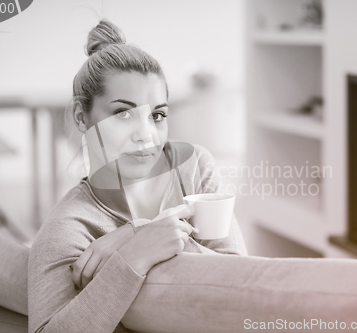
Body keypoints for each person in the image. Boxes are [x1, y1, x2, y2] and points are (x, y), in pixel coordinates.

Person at [28, 20, 247, 333]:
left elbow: (244, 283)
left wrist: (141, 233)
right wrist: (131, 259)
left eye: (157, 116)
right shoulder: (70, 228)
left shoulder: (194, 166)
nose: (146, 136)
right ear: (81, 116)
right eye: (123, 113)